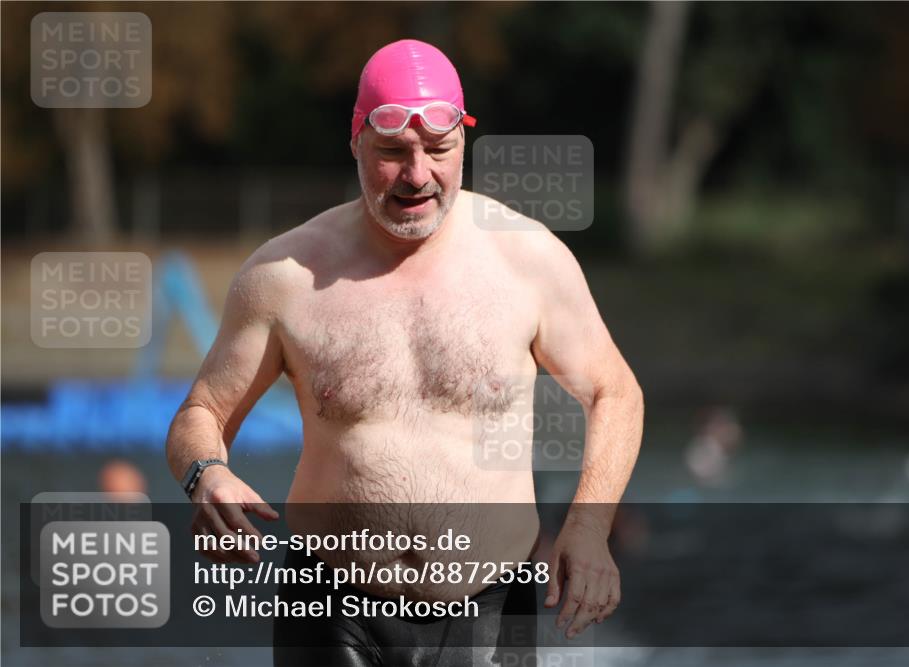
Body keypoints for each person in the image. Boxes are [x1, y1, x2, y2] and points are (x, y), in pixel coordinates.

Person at [165, 38, 643, 666]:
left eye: (438, 151)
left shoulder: (529, 261)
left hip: (490, 607)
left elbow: (615, 393)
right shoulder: (284, 276)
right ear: (356, 142)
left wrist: (588, 526)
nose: (417, 175)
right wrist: (208, 474)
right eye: (392, 153)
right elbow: (199, 414)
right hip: (331, 609)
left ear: (463, 144)